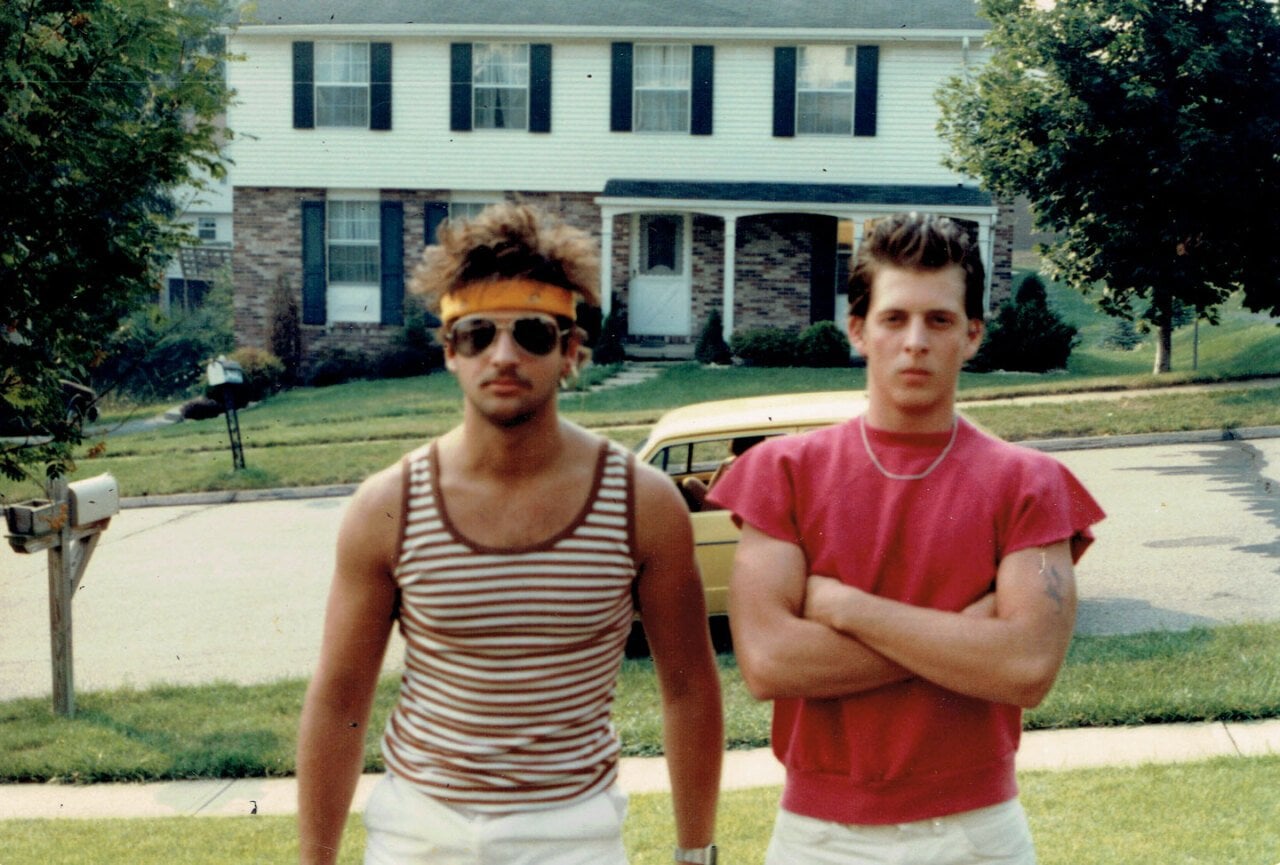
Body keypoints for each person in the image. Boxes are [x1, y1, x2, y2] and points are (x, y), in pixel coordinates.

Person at [297, 202, 723, 865]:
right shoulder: (387, 507)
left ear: (571, 351)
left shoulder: (643, 504)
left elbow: (690, 689)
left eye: (531, 332)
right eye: (475, 334)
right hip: (420, 832)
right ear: (449, 350)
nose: (503, 355)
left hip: (573, 833)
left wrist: (696, 854)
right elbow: (338, 701)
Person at [708, 212, 1105, 865]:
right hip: (819, 835)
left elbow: (1026, 669)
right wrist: (965, 633)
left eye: (940, 319)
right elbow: (770, 662)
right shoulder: (783, 474)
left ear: (973, 334)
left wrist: (845, 608)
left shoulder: (1029, 483)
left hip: (978, 832)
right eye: (895, 318)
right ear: (859, 329)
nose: (915, 340)